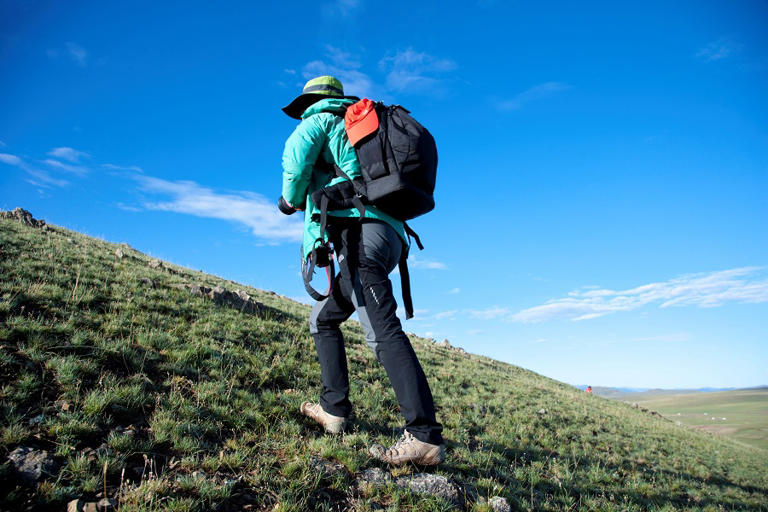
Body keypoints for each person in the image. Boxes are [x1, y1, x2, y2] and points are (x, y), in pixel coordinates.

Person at [279, 76, 445, 465]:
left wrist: (289, 202)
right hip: (390, 236)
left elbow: (293, 175)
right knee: (323, 319)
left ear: (310, 102)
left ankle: (423, 435)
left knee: (382, 331)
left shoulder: (316, 123)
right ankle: (334, 410)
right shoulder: (360, 126)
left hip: (360, 236)